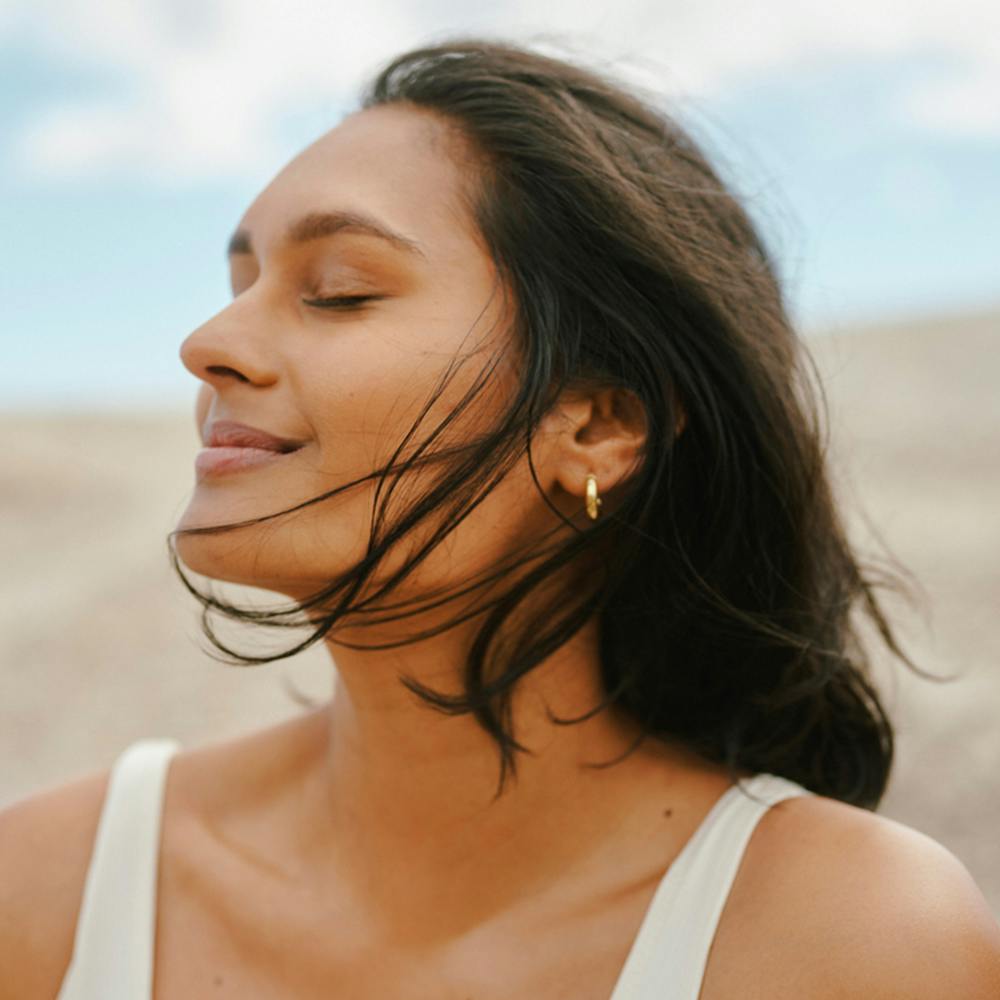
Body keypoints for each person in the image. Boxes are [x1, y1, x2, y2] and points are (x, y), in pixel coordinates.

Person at [3, 37, 999, 999]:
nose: (207, 342)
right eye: (240, 285)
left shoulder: (854, 942)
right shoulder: (51, 889)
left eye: (339, 292)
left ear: (600, 422)